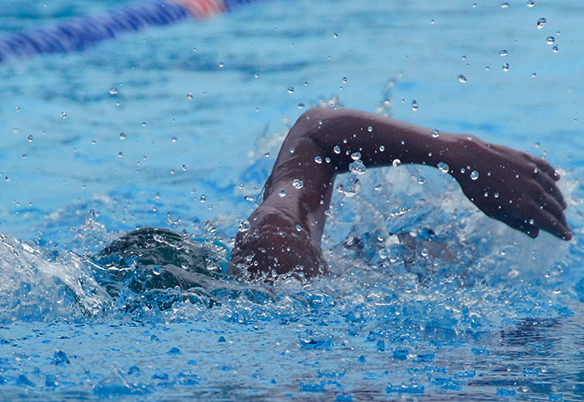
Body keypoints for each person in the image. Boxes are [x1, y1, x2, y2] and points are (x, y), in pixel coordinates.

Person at [96, 107, 571, 296]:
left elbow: (319, 135)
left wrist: (462, 154)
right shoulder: (271, 259)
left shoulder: (269, 256)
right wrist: (458, 153)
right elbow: (315, 134)